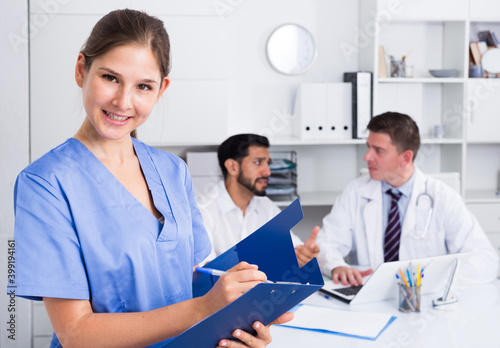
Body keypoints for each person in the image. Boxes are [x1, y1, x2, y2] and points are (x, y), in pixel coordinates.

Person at [12, 9, 291, 348]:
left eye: (143, 86)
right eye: (110, 78)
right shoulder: (45, 184)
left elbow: (187, 282)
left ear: (161, 90)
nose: (123, 101)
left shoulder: (173, 171)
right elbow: (75, 334)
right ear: (81, 69)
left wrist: (242, 312)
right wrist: (205, 308)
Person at [316, 112, 499, 286]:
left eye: (378, 150)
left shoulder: (443, 197)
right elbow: (326, 244)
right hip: (366, 296)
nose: (367, 157)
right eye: (368, 147)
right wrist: (336, 266)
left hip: (423, 300)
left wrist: (428, 281)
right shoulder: (355, 192)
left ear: (406, 157)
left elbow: (485, 262)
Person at [199, 133, 320, 267]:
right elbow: (204, 271)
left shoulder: (266, 206)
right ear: (233, 167)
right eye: (258, 162)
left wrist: (303, 255)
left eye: (267, 164)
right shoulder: (204, 210)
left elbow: (292, 248)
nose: (267, 172)